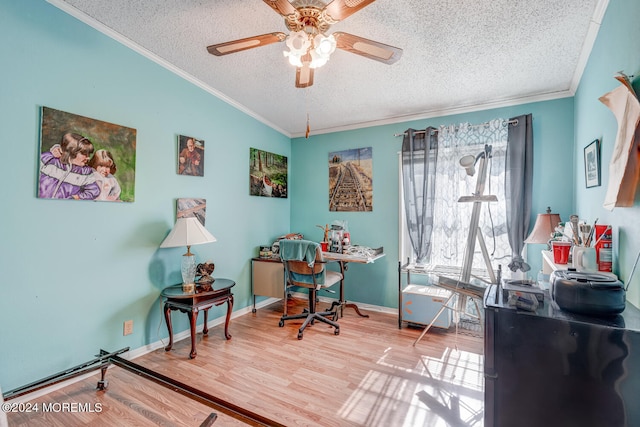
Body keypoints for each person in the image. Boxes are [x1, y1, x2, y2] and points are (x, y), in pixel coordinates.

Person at [39, 132, 100, 200]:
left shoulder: (86, 172)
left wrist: (77, 197)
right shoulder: (51, 160)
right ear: (71, 152)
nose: (88, 158)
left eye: (89, 154)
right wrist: (56, 149)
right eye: (84, 154)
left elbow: (94, 191)